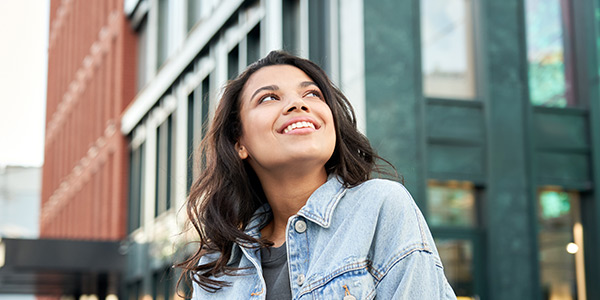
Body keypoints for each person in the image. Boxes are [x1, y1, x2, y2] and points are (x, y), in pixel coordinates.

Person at [178, 50, 456, 299]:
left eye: (312, 94)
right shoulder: (217, 267)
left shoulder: (381, 207)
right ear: (240, 142)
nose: (297, 104)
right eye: (269, 98)